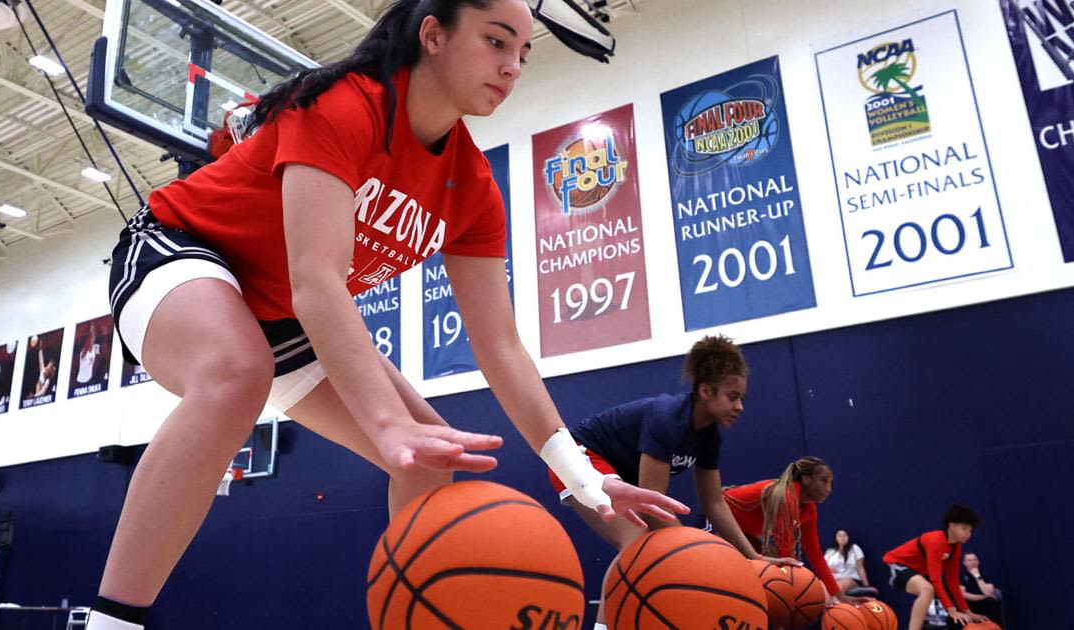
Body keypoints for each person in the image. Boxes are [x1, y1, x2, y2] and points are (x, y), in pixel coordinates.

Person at [86, 3, 685, 629]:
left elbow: (501, 344)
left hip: (283, 314)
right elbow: (317, 280)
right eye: (496, 42)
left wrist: (579, 475)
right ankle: (113, 622)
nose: (511, 68)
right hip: (182, 249)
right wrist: (384, 423)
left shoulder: (473, 187)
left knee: (430, 461)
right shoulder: (346, 104)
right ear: (433, 34)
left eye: (523, 55)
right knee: (238, 372)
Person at [548, 334, 800, 630]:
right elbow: (652, 509)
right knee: (638, 543)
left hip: (617, 475)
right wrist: (701, 557)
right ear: (705, 391)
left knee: (657, 548)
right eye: (733, 396)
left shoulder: (708, 436)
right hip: (580, 458)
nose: (740, 406)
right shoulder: (667, 419)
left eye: (741, 398)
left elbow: (715, 503)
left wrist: (753, 557)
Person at [723, 457, 870, 605]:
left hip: (743, 530)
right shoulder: (786, 496)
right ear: (806, 479)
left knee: (758, 580)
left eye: (831, 483)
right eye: (824, 481)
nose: (829, 489)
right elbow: (785, 551)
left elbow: (814, 554)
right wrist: (794, 591)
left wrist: (839, 595)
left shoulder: (809, 508)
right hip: (717, 514)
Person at [882, 505, 990, 629]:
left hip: (915, 571)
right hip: (894, 564)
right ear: (951, 525)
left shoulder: (956, 547)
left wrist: (967, 612)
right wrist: (952, 610)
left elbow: (952, 581)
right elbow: (935, 579)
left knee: (936, 591)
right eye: (964, 528)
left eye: (970, 530)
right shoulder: (936, 540)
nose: (968, 534)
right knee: (927, 589)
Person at [824, 529, 877, 596]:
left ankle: (838, 605)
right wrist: (828, 569)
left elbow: (860, 568)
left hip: (850, 579)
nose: (842, 537)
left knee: (838, 587)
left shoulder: (854, 548)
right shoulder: (830, 552)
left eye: (845, 535)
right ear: (836, 539)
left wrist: (866, 586)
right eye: (840, 536)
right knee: (821, 588)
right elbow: (822, 568)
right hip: (833, 580)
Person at [960, 552, 1004, 626]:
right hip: (970, 605)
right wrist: (983, 597)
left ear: (978, 561)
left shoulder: (985, 574)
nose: (973, 562)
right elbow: (963, 594)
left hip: (985, 605)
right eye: (969, 560)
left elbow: (988, 592)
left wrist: (977, 576)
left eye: (975, 560)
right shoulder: (961, 575)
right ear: (965, 563)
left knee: (991, 602)